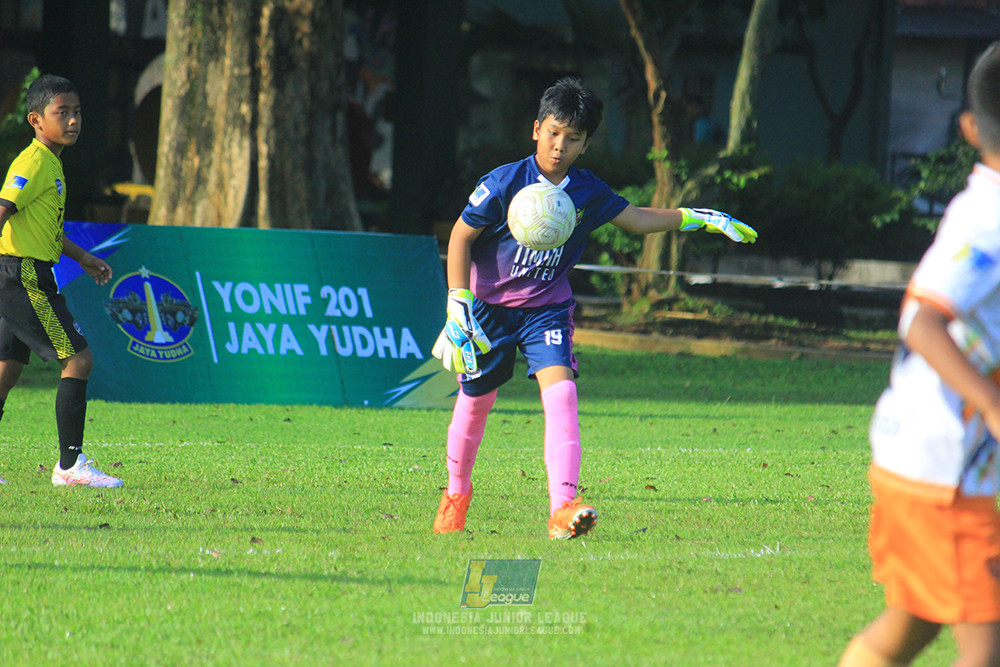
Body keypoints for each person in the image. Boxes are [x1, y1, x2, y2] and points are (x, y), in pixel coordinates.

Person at [430, 77, 756, 540]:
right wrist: (457, 302)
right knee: (477, 401)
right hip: (487, 309)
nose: (560, 146)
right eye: (554, 133)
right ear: (536, 129)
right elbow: (461, 236)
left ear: (586, 145)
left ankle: (563, 507)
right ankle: (456, 496)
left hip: (547, 310)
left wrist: (697, 218)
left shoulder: (587, 191)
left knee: (561, 393)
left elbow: (638, 220)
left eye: (574, 138)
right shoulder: (503, 182)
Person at [838, 42, 1000, 667]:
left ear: (966, 128)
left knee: (913, 625)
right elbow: (921, 318)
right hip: (944, 470)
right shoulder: (987, 219)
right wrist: (989, 402)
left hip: (920, 459)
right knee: (987, 645)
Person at [0, 74, 120, 488]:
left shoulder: (51, 164)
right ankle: (70, 467)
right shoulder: (32, 163)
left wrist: (84, 257)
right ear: (35, 119)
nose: (72, 121)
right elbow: (3, 209)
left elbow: (44, 225)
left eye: (77, 112)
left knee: (6, 369)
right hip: (24, 275)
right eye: (61, 113)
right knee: (79, 360)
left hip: (17, 273)